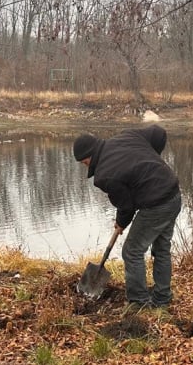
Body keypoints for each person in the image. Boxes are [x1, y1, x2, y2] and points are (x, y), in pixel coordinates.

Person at [73, 124, 181, 309]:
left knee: (132, 251)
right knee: (162, 248)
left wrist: (121, 222)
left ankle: (138, 302)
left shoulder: (104, 175)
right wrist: (152, 164)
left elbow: (126, 205)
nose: (85, 166)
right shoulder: (127, 135)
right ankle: (162, 298)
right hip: (173, 193)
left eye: (84, 162)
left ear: (90, 156)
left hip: (156, 205)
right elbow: (158, 132)